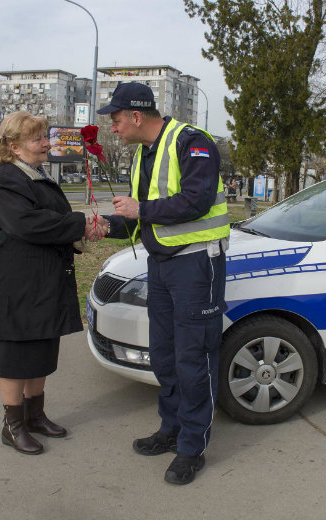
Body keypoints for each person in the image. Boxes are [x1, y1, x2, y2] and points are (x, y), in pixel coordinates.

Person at [93, 82, 229, 485]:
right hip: (162, 265)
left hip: (195, 265)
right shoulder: (143, 156)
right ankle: (170, 428)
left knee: (194, 356)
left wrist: (142, 209)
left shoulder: (191, 142)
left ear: (136, 116)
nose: (113, 128)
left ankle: (192, 446)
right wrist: (108, 225)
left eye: (116, 120)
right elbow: (143, 217)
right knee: (165, 354)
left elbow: (197, 201)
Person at [0, 111, 99, 455]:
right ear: (14, 146)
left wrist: (79, 229)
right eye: (38, 139)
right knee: (16, 354)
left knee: (41, 347)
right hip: (17, 285)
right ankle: (12, 424)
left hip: (42, 282)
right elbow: (29, 224)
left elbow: (53, 220)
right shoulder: (5, 180)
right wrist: (78, 225)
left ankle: (35, 415)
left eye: (45, 136)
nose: (47, 143)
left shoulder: (35, 175)